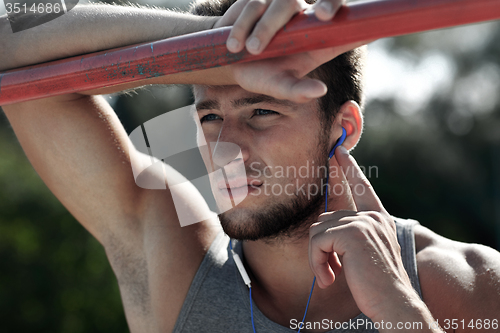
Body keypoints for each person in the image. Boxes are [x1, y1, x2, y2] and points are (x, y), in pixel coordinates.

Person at [1, 0, 499, 332]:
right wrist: (213, 48)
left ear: (342, 128)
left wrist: (398, 309)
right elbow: (11, 29)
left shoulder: (468, 282)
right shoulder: (174, 260)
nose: (226, 149)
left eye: (262, 110)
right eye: (210, 116)